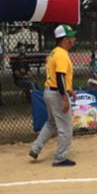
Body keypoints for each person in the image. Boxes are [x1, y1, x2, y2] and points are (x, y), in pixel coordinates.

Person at [29, 24, 78, 166]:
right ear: (65, 39)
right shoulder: (62, 55)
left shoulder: (54, 53)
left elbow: (59, 78)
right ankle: (60, 158)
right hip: (57, 94)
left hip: (49, 92)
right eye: (71, 37)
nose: (74, 39)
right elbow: (60, 77)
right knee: (66, 128)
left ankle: (35, 148)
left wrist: (70, 90)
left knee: (50, 123)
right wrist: (65, 98)